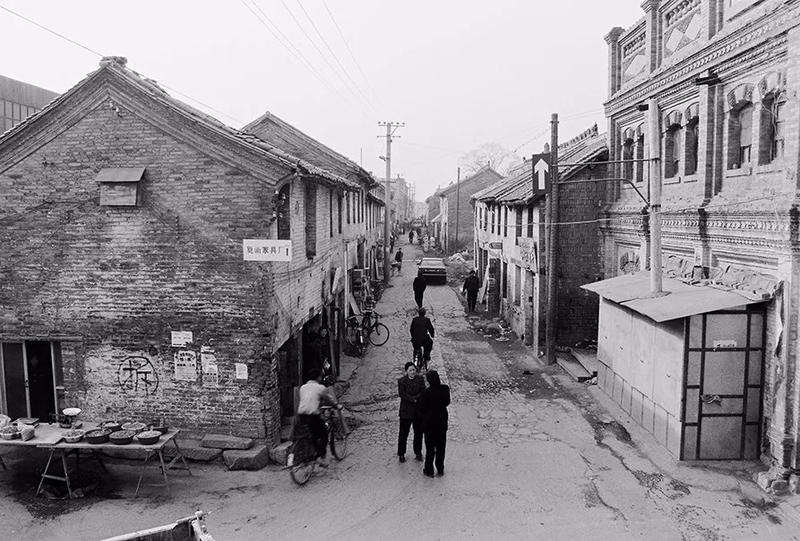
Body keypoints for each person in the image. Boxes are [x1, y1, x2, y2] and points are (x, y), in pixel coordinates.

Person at [297, 368, 340, 467]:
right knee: (324, 434)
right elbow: (329, 400)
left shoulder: (303, 387)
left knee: (313, 434)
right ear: (318, 377)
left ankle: (312, 454)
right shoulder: (320, 388)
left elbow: (307, 400)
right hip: (312, 415)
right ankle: (320, 457)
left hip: (301, 415)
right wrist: (336, 405)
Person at [420, 369, 450, 477]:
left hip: (430, 425)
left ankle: (429, 469)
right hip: (441, 423)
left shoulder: (426, 393)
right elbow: (447, 402)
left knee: (430, 449)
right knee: (441, 448)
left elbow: (422, 408)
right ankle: (440, 468)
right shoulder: (445, 389)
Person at [397, 361, 426, 463]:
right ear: (406, 371)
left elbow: (423, 391)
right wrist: (412, 399)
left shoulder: (420, 379)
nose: (412, 372)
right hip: (406, 411)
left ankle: (418, 452)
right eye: (410, 370)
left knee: (418, 433)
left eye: (414, 370)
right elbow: (402, 394)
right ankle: (401, 453)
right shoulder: (401, 381)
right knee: (403, 434)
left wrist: (416, 398)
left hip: (418, 411)